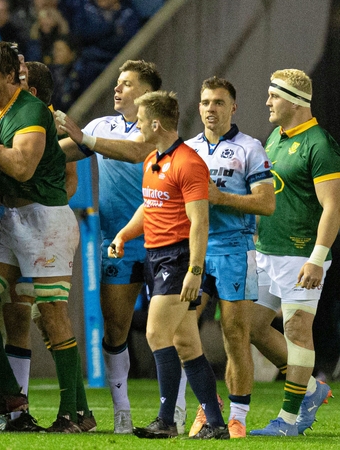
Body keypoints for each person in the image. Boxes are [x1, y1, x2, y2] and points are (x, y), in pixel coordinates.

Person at [0, 42, 81, 433]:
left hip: (45, 220)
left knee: (52, 314)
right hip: (9, 217)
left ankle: (72, 414)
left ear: (10, 75)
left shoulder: (31, 111)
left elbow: (22, 168)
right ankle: (9, 392)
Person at [55, 60, 184, 434]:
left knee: (174, 331)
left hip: (165, 241)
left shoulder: (159, 130)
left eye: (126, 84)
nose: (117, 89)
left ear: (146, 94)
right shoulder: (99, 127)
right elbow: (64, 151)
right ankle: (122, 412)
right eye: (117, 83)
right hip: (118, 242)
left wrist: (86, 139)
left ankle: (174, 411)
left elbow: (134, 151)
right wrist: (24, 146)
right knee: (115, 329)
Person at [108, 91, 227, 439]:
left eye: (141, 120)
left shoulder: (188, 163)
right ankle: (216, 425)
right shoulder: (152, 160)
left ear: (156, 124)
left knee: (156, 334)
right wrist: (124, 235)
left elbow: (200, 221)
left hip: (177, 259)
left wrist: (194, 269)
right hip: (154, 256)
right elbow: (149, 206)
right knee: (187, 344)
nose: (137, 127)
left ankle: (167, 420)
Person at [249, 69, 340, 437]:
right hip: (267, 251)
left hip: (300, 255)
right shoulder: (276, 136)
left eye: (274, 96)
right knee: (251, 326)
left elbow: (333, 207)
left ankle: (287, 422)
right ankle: (313, 388)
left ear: (295, 101)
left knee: (298, 331)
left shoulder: (320, 144)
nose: (267, 102)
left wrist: (317, 258)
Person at [183, 77, 275, 439]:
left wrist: (222, 198)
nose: (210, 109)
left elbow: (266, 203)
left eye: (219, 102)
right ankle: (209, 407)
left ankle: (237, 416)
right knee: (180, 329)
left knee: (235, 332)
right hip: (195, 249)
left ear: (233, 107)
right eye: (205, 102)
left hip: (236, 248)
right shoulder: (187, 150)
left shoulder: (250, 148)